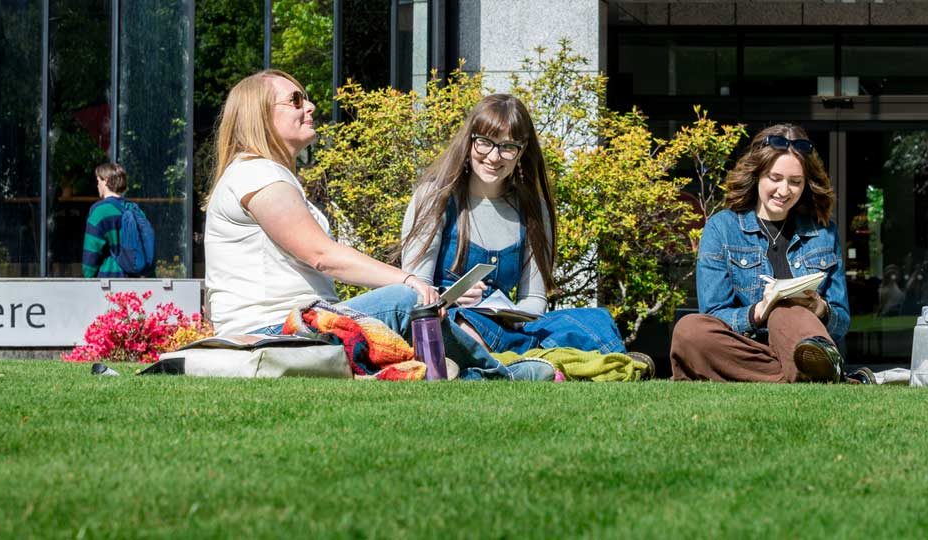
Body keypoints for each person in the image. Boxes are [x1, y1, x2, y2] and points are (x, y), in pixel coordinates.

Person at [202, 71, 553, 381]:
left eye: (306, 98)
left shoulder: (269, 175)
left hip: (302, 322)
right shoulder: (257, 173)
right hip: (274, 328)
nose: (309, 106)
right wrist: (407, 280)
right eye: (295, 100)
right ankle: (499, 375)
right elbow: (321, 255)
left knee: (411, 310)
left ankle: (464, 371)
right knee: (405, 300)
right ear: (259, 115)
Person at [399, 93, 637, 366]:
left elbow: (533, 299)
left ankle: (520, 360)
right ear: (469, 141)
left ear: (521, 151)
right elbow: (414, 290)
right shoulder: (435, 197)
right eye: (484, 143)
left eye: (507, 147)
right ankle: (532, 363)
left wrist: (513, 318)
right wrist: (447, 296)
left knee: (593, 323)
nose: (493, 156)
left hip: (512, 327)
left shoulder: (533, 209)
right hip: (449, 319)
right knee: (465, 330)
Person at [670, 124, 869, 383]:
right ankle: (806, 376)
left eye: (795, 182)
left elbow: (841, 322)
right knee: (688, 330)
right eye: (775, 179)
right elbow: (714, 313)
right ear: (757, 174)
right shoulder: (722, 228)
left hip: (799, 341)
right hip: (744, 348)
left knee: (787, 313)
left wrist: (818, 307)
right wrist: (758, 311)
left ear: (806, 184)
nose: (784, 191)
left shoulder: (823, 232)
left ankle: (794, 370)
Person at [82, 162, 129, 278]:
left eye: (98, 181)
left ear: (106, 180)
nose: (97, 185)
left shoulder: (100, 211)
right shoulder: (134, 209)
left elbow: (91, 252)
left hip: (109, 280)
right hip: (135, 281)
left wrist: (87, 276)